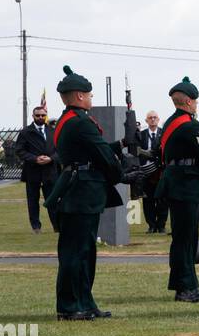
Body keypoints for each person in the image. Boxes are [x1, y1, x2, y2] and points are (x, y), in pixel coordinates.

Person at [44, 65, 124, 320]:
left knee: (84, 251)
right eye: (89, 95)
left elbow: (90, 151)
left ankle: (84, 302)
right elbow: (102, 155)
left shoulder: (71, 120)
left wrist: (120, 145)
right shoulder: (80, 122)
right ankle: (71, 306)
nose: (91, 99)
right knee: (76, 252)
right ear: (79, 96)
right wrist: (120, 174)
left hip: (78, 190)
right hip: (81, 192)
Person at [155, 76, 199, 303]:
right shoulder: (191, 125)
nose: (196, 104)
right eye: (194, 101)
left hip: (175, 183)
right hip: (186, 185)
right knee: (187, 239)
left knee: (181, 238)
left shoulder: (170, 123)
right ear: (187, 102)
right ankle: (187, 288)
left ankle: (182, 284)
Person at [15, 105, 59, 234]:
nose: (40, 117)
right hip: (32, 171)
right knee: (33, 201)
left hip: (50, 171)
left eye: (43, 115)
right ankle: (36, 227)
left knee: (52, 200)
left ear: (46, 115)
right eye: (37, 115)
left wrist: (51, 159)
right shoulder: (25, 132)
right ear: (33, 116)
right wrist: (34, 158)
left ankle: (57, 226)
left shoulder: (53, 130)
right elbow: (19, 151)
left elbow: (61, 150)